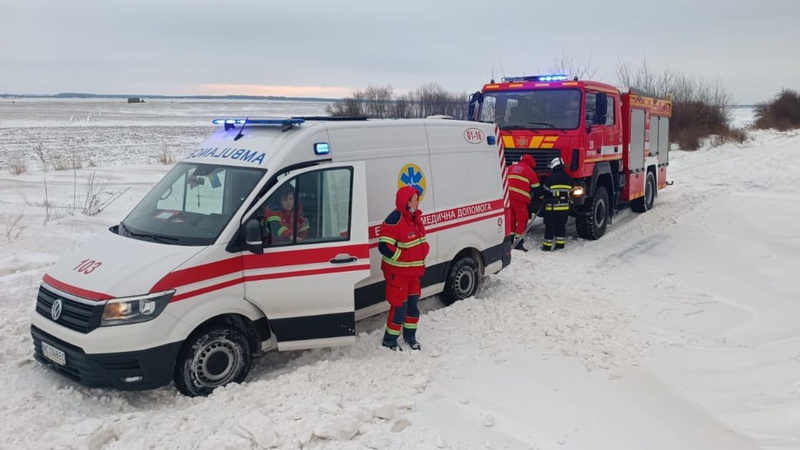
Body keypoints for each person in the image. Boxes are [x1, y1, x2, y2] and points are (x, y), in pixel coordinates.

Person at [378, 186, 430, 351]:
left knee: (413, 308)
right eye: (415, 199)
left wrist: (424, 249)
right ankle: (390, 340)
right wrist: (405, 257)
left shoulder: (414, 218)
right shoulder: (394, 220)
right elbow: (384, 247)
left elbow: (419, 241)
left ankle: (410, 336)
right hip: (399, 274)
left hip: (413, 273)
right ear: (407, 202)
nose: (418, 202)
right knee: (399, 309)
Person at [507, 154, 541, 251]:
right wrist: (542, 197)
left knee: (511, 220)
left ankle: (510, 241)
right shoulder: (530, 171)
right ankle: (518, 243)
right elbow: (536, 188)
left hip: (508, 197)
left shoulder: (511, 167)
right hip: (520, 200)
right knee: (522, 220)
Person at [541, 157, 574, 251]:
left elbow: (545, 191)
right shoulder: (568, 178)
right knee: (561, 227)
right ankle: (560, 245)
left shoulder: (550, 179)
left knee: (550, 227)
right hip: (564, 208)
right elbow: (572, 188)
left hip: (552, 209)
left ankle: (547, 246)